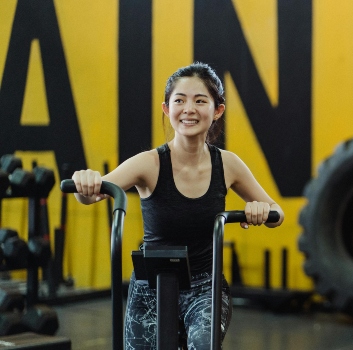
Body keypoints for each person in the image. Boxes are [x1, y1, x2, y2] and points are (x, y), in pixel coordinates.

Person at [71, 62, 284, 349]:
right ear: (166, 109)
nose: (189, 109)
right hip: (151, 288)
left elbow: (277, 214)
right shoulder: (149, 163)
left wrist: (260, 211)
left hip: (205, 287)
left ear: (217, 110)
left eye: (200, 101)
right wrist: (85, 182)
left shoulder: (228, 164)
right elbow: (93, 194)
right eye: (179, 101)